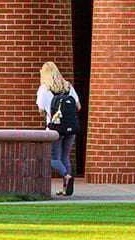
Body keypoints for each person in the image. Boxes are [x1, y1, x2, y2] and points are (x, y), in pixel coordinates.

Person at [36, 61, 81, 196]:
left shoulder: (44, 88)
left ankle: (67, 176)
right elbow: (78, 106)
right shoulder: (67, 86)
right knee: (65, 156)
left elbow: (41, 110)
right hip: (71, 127)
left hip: (55, 128)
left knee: (53, 157)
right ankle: (65, 187)